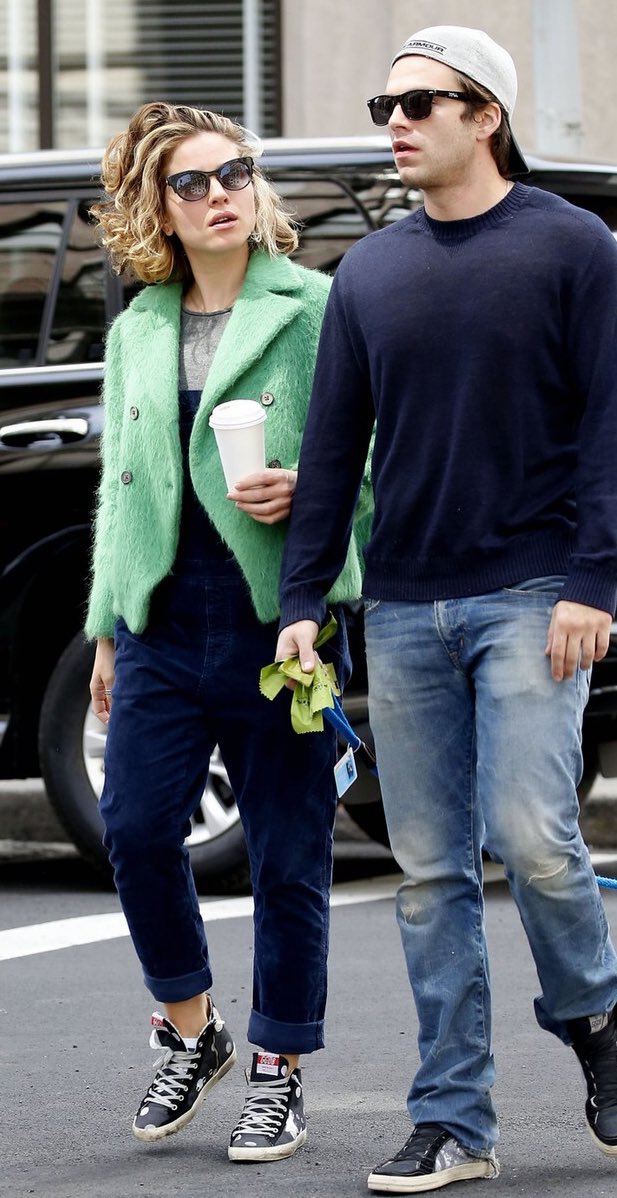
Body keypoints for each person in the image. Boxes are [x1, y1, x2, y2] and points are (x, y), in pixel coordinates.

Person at [275, 24, 617, 1194]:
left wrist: (594, 583)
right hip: (406, 605)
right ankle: (453, 1119)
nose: (394, 121)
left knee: (534, 838)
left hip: (533, 592)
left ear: (486, 115)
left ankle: (593, 1012)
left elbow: (611, 430)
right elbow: (330, 452)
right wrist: (303, 601)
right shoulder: (367, 271)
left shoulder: (575, 249)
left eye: (419, 102)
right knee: (424, 875)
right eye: (384, 103)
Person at [85, 100, 370, 1163]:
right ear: (155, 207)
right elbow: (122, 490)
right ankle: (193, 1030)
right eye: (192, 182)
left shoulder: (316, 307)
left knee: (288, 854)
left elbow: (376, 464)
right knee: (138, 829)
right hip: (161, 614)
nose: (219, 195)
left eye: (234, 173)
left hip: (277, 611)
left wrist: (312, 495)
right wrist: (110, 627)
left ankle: (278, 1069)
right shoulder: (138, 328)